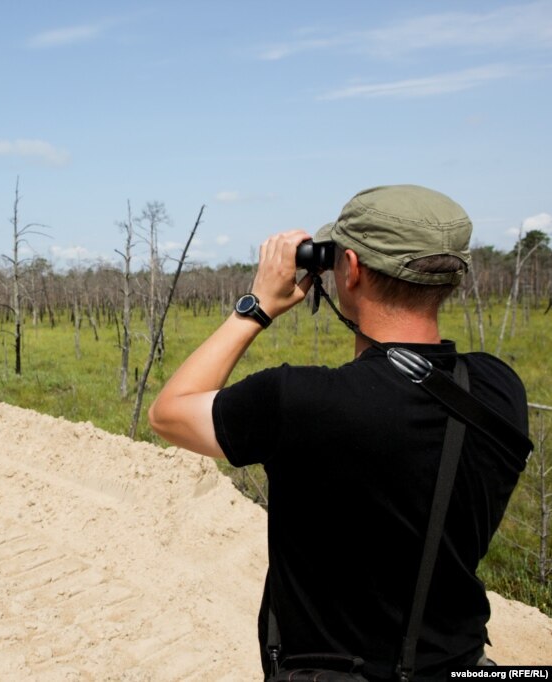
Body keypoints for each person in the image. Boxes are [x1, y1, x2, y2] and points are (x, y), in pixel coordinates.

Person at [148, 185, 530, 681]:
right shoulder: (501, 389)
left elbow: (168, 413)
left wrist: (256, 305)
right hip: (462, 665)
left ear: (348, 268)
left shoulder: (297, 402)